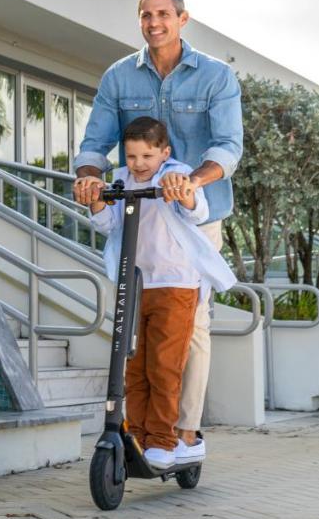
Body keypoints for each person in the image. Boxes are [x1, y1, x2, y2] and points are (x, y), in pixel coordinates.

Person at [73, 0, 242, 464]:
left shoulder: (214, 76)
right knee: (134, 329)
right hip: (139, 218)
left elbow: (227, 148)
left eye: (163, 14)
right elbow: (95, 143)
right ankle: (139, 429)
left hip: (196, 214)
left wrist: (190, 182)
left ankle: (183, 432)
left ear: (181, 19)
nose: (154, 23)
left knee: (193, 328)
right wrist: (88, 179)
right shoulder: (119, 76)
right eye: (147, 15)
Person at [78, 117, 236, 468]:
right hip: (136, 284)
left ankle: (164, 440)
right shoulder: (121, 178)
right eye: (132, 156)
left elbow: (199, 214)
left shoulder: (176, 174)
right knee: (133, 367)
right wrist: (97, 200)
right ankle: (138, 435)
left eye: (148, 156)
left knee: (164, 366)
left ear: (164, 153)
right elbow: (108, 225)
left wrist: (185, 190)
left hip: (176, 284)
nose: (139, 164)